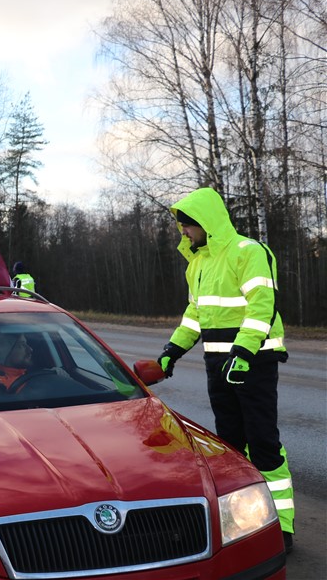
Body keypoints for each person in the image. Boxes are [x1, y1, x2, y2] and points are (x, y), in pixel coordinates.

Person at [155, 187, 295, 552]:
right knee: (230, 448)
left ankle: (281, 527)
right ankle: (243, 522)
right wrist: (172, 350)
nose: (183, 232)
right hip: (219, 366)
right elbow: (195, 316)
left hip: (254, 363)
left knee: (263, 444)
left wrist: (245, 352)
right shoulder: (198, 263)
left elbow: (261, 305)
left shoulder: (248, 251)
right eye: (181, 226)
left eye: (187, 225)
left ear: (205, 222)